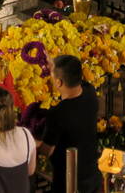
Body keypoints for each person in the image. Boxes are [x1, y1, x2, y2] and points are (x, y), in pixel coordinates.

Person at [38, 55, 100, 193]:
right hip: (91, 173)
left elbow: (47, 150)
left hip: (69, 181)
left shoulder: (58, 113)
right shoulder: (90, 92)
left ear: (58, 83)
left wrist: (32, 142)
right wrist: (53, 64)